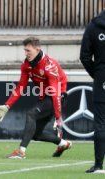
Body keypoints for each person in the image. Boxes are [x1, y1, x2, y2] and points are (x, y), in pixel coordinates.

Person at [0, 37, 72, 159]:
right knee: (35, 134)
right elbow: (20, 87)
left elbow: (55, 92)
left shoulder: (49, 66)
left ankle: (21, 152)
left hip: (57, 97)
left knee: (31, 114)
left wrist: (58, 118)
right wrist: (7, 105)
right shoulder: (26, 65)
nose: (26, 53)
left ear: (37, 49)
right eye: (25, 50)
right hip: (45, 97)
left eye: (28, 51)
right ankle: (63, 144)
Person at [80, 7, 105, 174]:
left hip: (102, 80)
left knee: (101, 124)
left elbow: (85, 56)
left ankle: (98, 166)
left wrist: (96, 74)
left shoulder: (93, 26)